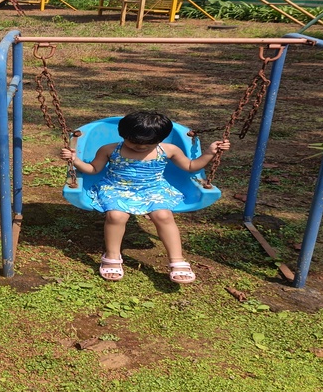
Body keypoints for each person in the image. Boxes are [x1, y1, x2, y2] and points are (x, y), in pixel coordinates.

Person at [60, 111, 230, 284]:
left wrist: (210, 152)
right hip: (116, 187)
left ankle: (177, 259)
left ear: (160, 139)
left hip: (153, 188)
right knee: (115, 215)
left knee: (163, 215)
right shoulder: (110, 149)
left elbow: (191, 166)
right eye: (133, 142)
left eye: (148, 144)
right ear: (123, 134)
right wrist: (75, 160)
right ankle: (112, 255)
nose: (140, 147)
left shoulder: (169, 150)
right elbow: (93, 169)